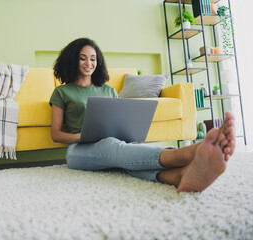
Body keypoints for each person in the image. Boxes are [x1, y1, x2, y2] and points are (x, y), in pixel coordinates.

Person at [49, 38, 235, 193]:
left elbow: (118, 123)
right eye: (83, 58)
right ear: (73, 60)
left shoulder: (108, 90)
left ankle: (180, 176)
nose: (89, 63)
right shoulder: (62, 92)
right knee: (112, 146)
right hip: (78, 151)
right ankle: (184, 154)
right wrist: (82, 137)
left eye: (93, 59)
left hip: (113, 144)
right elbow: (56, 135)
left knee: (125, 157)